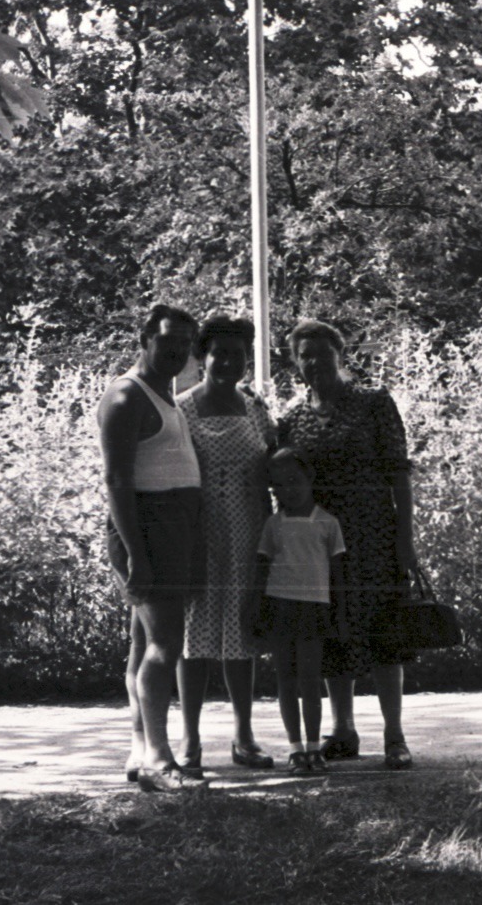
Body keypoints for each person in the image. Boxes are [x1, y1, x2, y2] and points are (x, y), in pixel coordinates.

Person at [276, 318, 420, 770]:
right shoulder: (292, 419)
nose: (314, 361)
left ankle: (394, 736)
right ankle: (343, 729)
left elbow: (399, 472)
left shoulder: (374, 404)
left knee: (384, 633)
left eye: (323, 352)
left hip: (374, 534)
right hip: (319, 543)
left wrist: (405, 539)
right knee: (331, 631)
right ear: (295, 363)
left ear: (340, 355)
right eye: (305, 354)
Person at [96, 303, 208, 793]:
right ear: (145, 339)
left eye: (185, 345)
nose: (177, 352)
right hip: (148, 529)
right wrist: (137, 555)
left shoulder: (169, 395)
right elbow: (117, 481)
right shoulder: (125, 396)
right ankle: (162, 760)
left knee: (143, 645)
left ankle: (142, 748)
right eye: (167, 343)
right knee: (166, 645)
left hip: (176, 527)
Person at [174, 313, 276, 774]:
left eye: (238, 354)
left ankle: (244, 735)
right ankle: (190, 740)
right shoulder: (182, 408)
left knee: (242, 634)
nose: (229, 361)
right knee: (193, 639)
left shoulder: (255, 408)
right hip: (198, 535)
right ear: (202, 356)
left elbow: (276, 466)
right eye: (220, 352)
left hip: (249, 533)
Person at [253, 447, 345, 774]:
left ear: (310, 479)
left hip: (314, 610)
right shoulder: (273, 525)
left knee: (310, 680)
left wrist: (338, 613)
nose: (286, 490)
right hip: (280, 607)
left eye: (294, 481)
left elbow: (337, 575)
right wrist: (260, 610)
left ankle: (314, 748)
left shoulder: (327, 523)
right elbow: (263, 568)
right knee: (286, 680)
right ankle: (295, 749)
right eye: (278, 485)